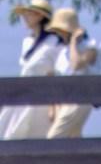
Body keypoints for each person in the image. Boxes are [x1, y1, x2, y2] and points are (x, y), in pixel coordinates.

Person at [39, 11, 95, 141]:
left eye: (62, 30)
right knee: (74, 139)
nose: (60, 33)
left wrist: (74, 42)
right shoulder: (62, 52)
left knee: (53, 139)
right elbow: (53, 76)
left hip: (79, 100)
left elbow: (76, 65)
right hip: (62, 101)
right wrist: (52, 106)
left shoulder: (90, 48)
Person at [5, 0, 52, 142]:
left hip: (42, 98)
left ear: (39, 16)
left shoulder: (53, 43)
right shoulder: (27, 41)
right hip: (23, 94)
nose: (25, 17)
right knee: (12, 133)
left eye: (29, 13)